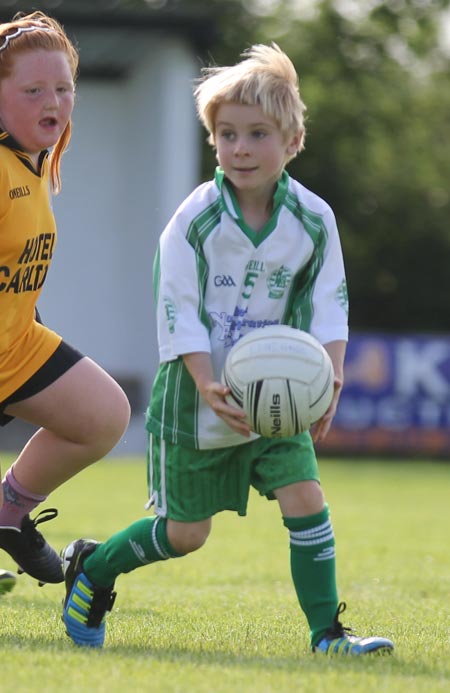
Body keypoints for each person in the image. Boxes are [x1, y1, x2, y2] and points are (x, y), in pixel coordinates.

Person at [60, 44, 394, 655]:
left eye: (257, 134)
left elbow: (331, 302)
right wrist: (207, 380)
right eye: (227, 134)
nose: (239, 148)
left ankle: (328, 635)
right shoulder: (195, 219)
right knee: (187, 535)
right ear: (213, 140)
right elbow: (175, 306)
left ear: (292, 141)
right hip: (197, 402)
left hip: (277, 402)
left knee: (306, 498)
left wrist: (333, 375)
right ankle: (95, 568)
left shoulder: (314, 220)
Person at [0, 12, 130, 586]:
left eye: (63, 88)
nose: (53, 100)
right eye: (33, 90)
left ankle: (5, 515)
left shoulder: (30, 162)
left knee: (104, 416)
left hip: (16, 343)